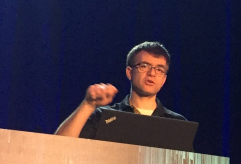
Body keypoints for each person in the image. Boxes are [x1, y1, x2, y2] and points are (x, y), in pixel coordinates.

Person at [55, 41, 186, 138]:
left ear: (164, 80)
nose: (152, 73)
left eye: (159, 70)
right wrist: (88, 104)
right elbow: (59, 147)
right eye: (144, 66)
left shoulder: (176, 123)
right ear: (129, 72)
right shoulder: (103, 116)